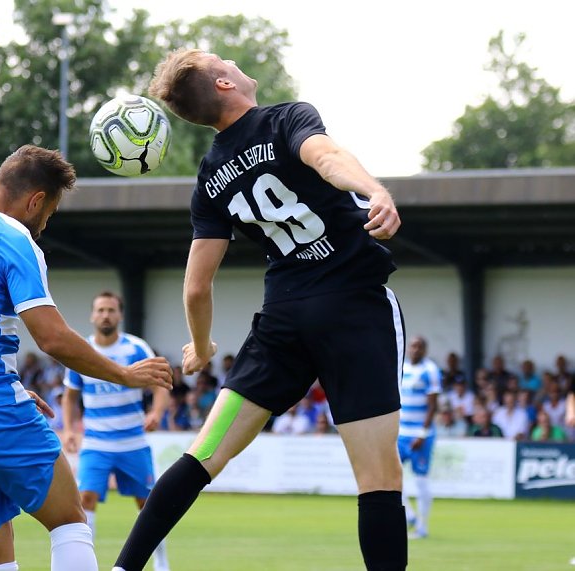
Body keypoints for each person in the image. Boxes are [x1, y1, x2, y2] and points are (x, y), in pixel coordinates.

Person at [113, 49, 406, 571]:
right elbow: (327, 158)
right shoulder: (286, 119)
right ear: (224, 83)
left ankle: (122, 568)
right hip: (354, 309)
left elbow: (196, 287)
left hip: (283, 321)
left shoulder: (210, 177)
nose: (231, 61)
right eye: (221, 59)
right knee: (378, 479)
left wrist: (201, 347)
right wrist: (374, 190)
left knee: (203, 455)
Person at [0, 145, 173, 571]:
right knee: (69, 521)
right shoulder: (12, 237)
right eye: (49, 213)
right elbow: (52, 338)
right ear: (35, 200)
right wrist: (123, 374)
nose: (45, 224)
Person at [61, 291, 172, 571]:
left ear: (120, 315)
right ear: (92, 315)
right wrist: (70, 430)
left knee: (147, 503)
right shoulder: (81, 350)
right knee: (85, 499)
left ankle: (161, 562)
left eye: (111, 310)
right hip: (96, 442)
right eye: (100, 310)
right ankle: (88, 564)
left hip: (132, 441)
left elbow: (160, 384)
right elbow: (70, 396)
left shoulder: (136, 349)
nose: (105, 315)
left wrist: (156, 413)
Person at [396, 336, 441, 540]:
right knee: (391, 476)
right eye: (413, 346)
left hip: (421, 435)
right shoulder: (402, 367)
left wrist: (422, 434)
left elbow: (433, 406)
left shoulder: (430, 371)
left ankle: (423, 526)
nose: (415, 350)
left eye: (419, 347)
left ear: (425, 350)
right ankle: (409, 516)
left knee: (421, 480)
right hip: (401, 433)